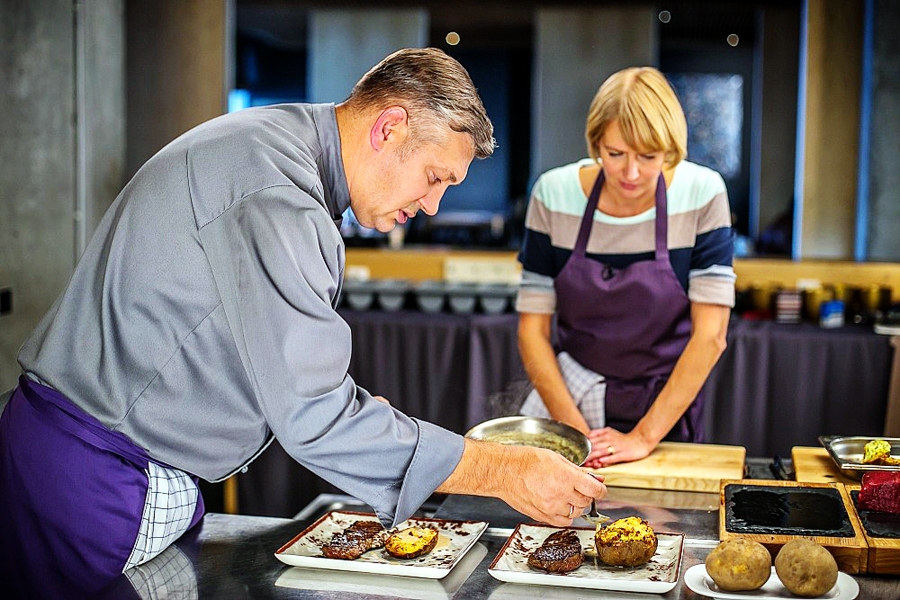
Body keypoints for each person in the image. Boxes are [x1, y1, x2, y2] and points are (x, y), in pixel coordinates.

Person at [0, 47, 606, 598]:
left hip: (93, 461)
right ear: (389, 126)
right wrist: (498, 468)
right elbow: (313, 412)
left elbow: (266, 365)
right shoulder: (278, 191)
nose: (432, 205)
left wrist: (360, 418)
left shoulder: (276, 144)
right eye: (435, 178)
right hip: (95, 482)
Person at [516, 66, 735, 469]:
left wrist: (643, 437)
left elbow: (711, 336)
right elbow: (533, 331)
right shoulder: (553, 195)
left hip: (664, 407)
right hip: (572, 397)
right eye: (615, 154)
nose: (631, 174)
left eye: (648, 157)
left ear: (670, 149)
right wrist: (576, 433)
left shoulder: (703, 193)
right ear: (595, 142)